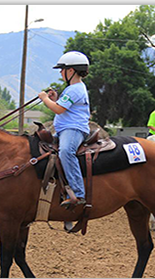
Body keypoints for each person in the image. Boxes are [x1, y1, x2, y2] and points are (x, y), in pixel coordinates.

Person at [38, 51, 90, 208]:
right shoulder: (73, 89)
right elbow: (62, 106)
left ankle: (78, 193)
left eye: (62, 69)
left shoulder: (75, 89)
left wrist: (45, 99)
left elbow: (59, 110)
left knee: (66, 151)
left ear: (71, 70)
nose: (60, 72)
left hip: (73, 129)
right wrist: (54, 99)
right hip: (65, 129)